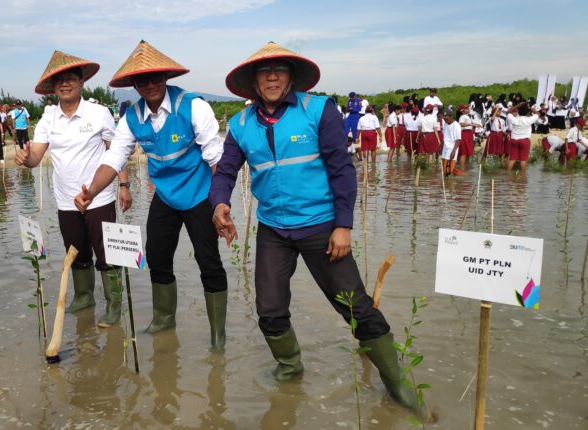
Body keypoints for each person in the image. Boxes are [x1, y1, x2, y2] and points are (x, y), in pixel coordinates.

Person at [210, 41, 426, 417]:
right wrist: (220, 204)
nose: (272, 76)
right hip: (274, 229)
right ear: (254, 81)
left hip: (321, 227)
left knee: (355, 307)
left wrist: (343, 226)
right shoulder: (241, 124)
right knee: (269, 309)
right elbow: (227, 169)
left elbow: (342, 169)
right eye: (265, 71)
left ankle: (398, 385)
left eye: (280, 70)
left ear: (292, 77)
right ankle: (290, 368)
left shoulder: (318, 110)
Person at [74, 40, 227, 349]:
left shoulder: (193, 106)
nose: (150, 84)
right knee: (156, 256)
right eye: (141, 80)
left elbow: (215, 158)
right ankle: (163, 319)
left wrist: (220, 204)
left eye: (155, 77)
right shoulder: (132, 117)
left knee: (208, 260)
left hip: (200, 194)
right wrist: (90, 191)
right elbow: (115, 157)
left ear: (166, 78)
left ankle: (218, 336)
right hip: (166, 197)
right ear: (134, 84)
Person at [17, 51, 132, 327]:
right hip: (66, 200)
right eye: (59, 81)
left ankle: (115, 305)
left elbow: (116, 151)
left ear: (82, 83)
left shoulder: (99, 112)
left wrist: (124, 185)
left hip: (99, 196)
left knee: (107, 254)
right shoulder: (48, 118)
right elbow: (36, 158)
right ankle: (84, 297)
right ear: (53, 88)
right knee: (77, 252)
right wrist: (25, 159)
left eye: (70, 79)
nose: (65, 85)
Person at [506, 102, 538, 171]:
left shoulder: (514, 119)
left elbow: (508, 112)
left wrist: (517, 105)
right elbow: (538, 114)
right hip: (525, 140)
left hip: (514, 140)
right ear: (527, 112)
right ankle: (523, 176)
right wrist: (531, 108)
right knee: (523, 160)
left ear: (518, 111)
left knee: (512, 159)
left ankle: (508, 175)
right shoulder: (529, 119)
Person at [441, 111, 462, 176]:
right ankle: (447, 178)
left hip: (452, 147)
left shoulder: (456, 125)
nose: (445, 120)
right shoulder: (445, 124)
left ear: (451, 117)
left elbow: (458, 140)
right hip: (445, 146)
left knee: (447, 168)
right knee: (443, 165)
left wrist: (454, 151)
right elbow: (445, 136)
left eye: (446, 118)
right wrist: (441, 147)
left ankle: (451, 179)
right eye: (444, 119)